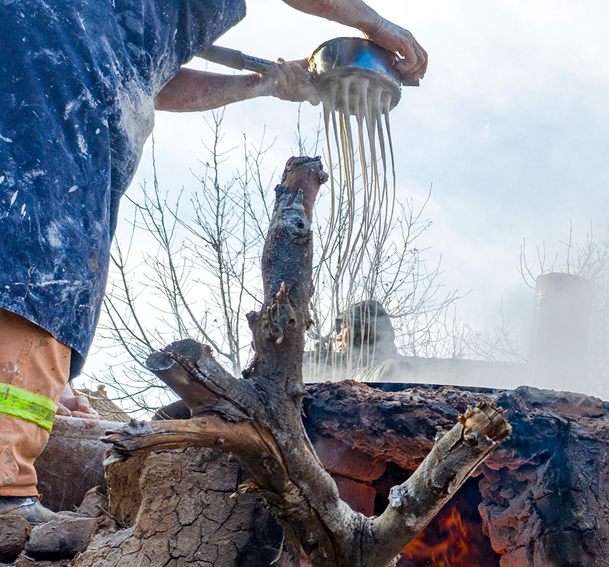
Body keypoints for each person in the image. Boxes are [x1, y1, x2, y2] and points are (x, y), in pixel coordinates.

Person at [0, 0, 427, 523]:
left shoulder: (123, 32)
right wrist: (373, 24)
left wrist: (264, 82)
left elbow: (154, 82)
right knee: (40, 257)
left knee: (43, 260)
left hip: (65, 82)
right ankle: (6, 494)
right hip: (49, 78)